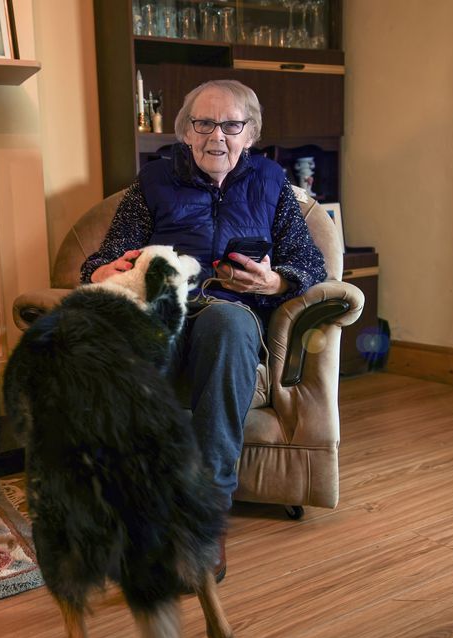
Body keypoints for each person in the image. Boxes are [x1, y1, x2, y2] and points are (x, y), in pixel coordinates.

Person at [81, 79, 327, 578]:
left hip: (232, 308)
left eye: (231, 124)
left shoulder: (271, 182)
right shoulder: (153, 181)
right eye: (204, 123)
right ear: (186, 132)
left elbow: (310, 264)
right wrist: (100, 272)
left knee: (228, 328)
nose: (218, 135)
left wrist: (271, 280)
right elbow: (107, 256)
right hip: (164, 303)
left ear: (250, 132)